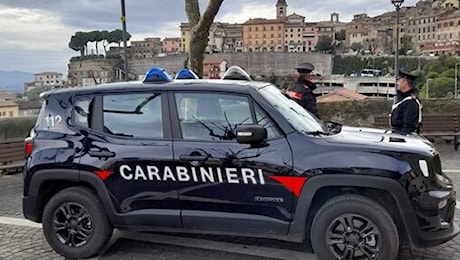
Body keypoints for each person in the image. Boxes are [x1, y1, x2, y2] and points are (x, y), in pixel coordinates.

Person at [390, 70, 422, 134]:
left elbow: (408, 127)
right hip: (396, 136)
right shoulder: (403, 100)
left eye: (399, 80)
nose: (397, 83)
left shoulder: (411, 102)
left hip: (402, 140)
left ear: (405, 82)